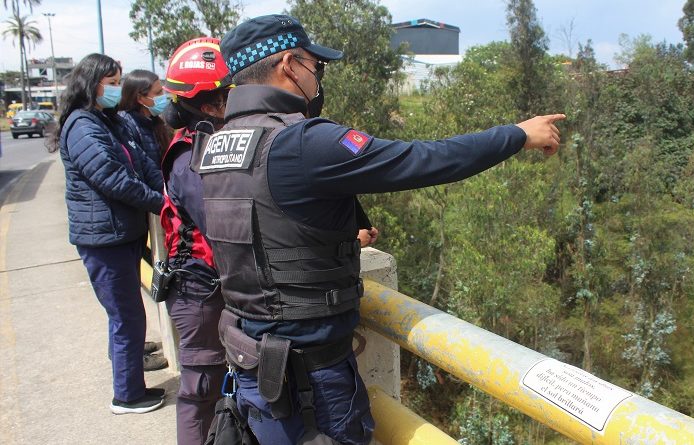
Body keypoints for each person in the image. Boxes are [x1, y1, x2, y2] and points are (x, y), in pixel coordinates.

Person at [204, 14, 564, 445]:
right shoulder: (302, 142)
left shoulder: (218, 145)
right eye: (315, 66)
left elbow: (268, 229)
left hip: (251, 367)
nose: (317, 77)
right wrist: (517, 134)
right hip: (311, 386)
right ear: (289, 63)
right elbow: (424, 159)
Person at [53, 53, 166, 414]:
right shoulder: (82, 125)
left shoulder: (108, 121)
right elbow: (112, 178)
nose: (117, 89)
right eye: (112, 82)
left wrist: (164, 193)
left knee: (125, 313)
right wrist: (159, 204)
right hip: (104, 239)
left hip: (121, 234)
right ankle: (127, 395)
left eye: (119, 82)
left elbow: (142, 162)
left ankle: (128, 379)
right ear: (92, 84)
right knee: (127, 316)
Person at [159, 37, 231, 445]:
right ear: (208, 105)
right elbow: (221, 224)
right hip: (198, 292)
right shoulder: (189, 158)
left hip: (205, 288)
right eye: (227, 96)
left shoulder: (205, 144)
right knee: (200, 392)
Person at [118, 68, 174, 372]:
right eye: (157, 92)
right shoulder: (128, 125)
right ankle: (132, 359)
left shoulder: (153, 121)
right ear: (140, 96)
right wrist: (164, 199)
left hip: (156, 204)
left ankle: (137, 349)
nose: (163, 96)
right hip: (147, 211)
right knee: (129, 298)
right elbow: (142, 167)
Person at [119, 69, 173, 167]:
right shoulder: (126, 126)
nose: (163, 96)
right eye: (158, 93)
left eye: (162, 91)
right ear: (140, 98)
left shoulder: (156, 122)